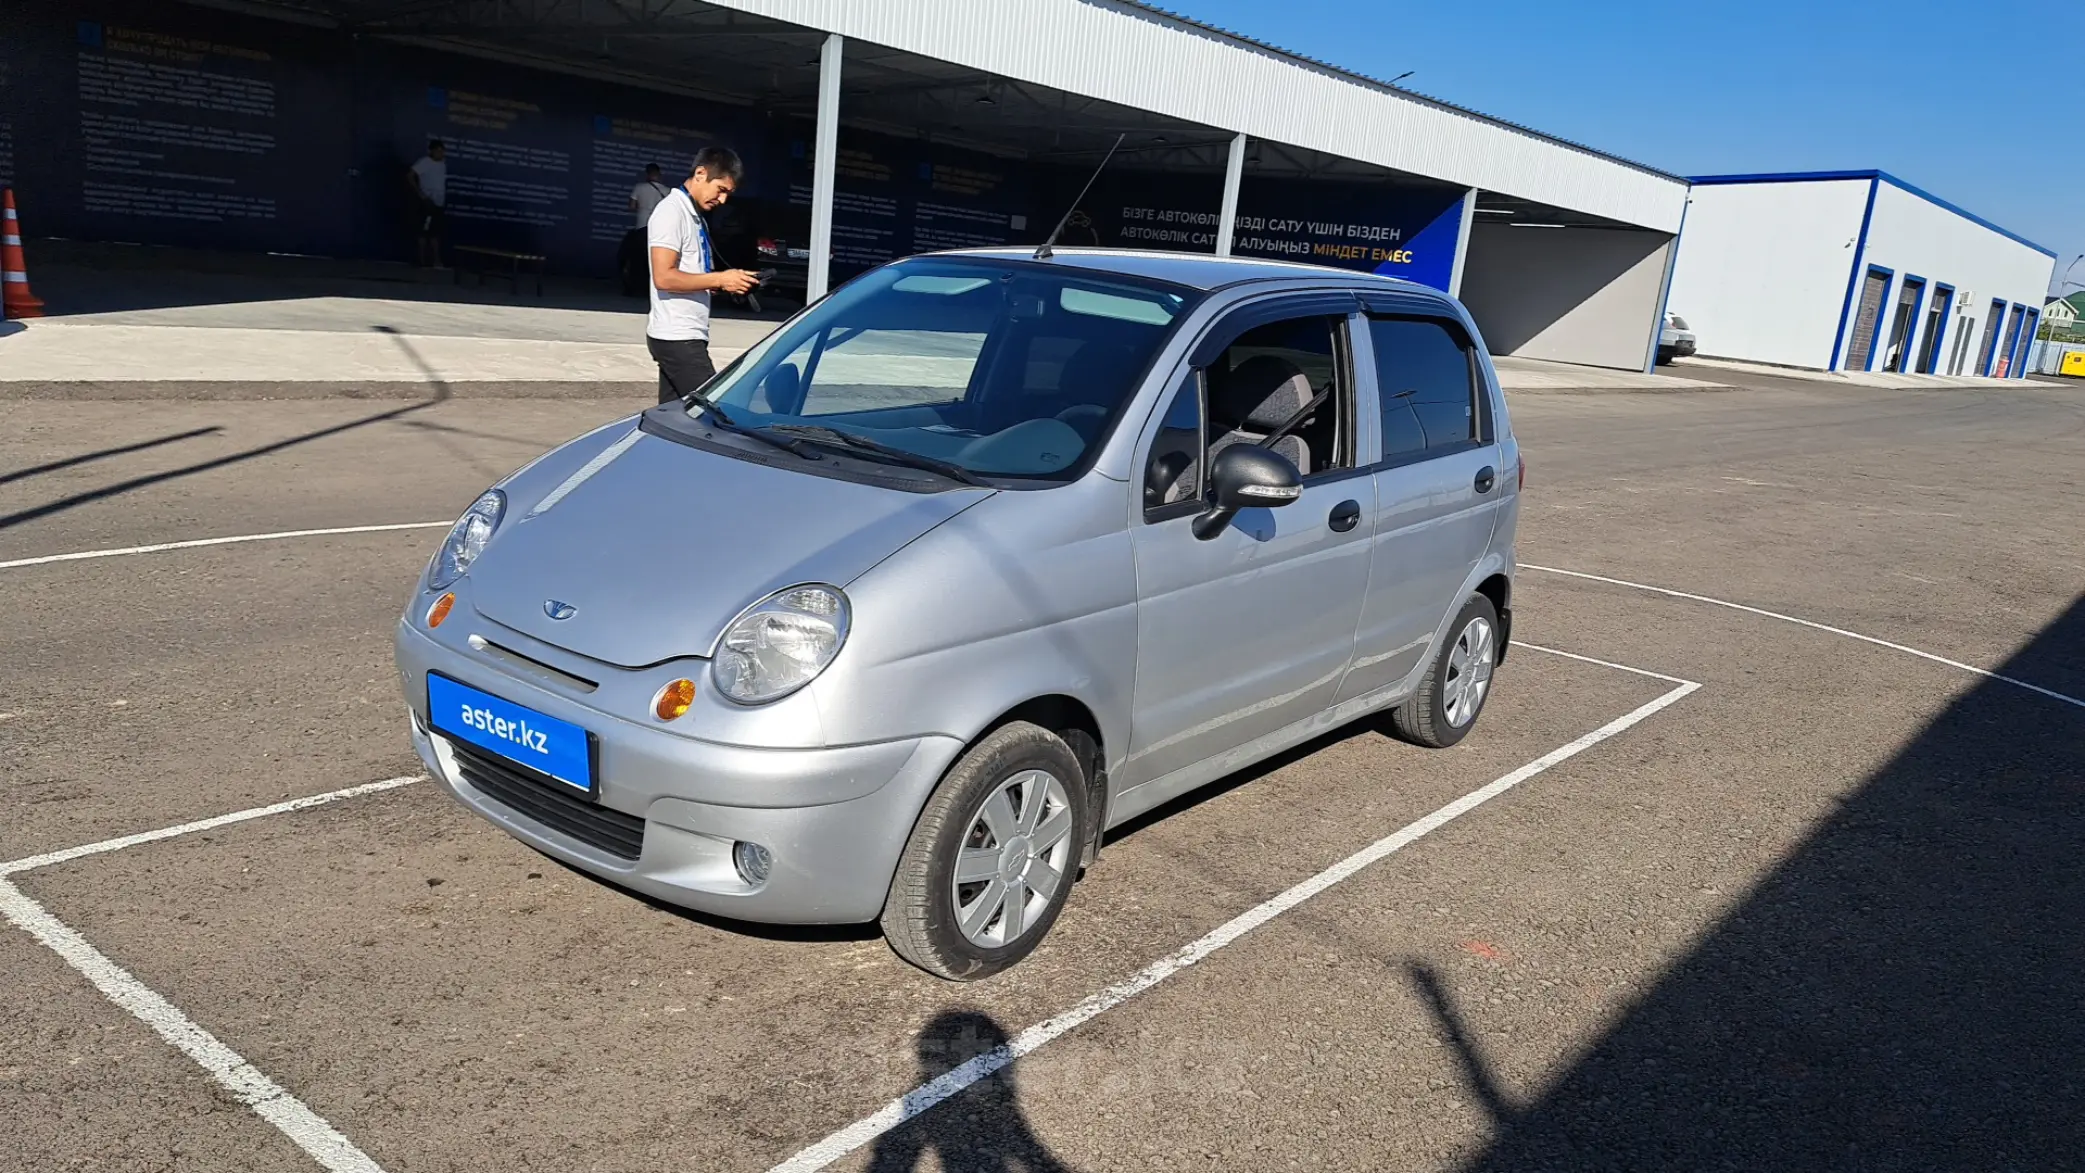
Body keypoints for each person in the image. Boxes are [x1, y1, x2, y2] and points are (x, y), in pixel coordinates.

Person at [647, 146, 761, 405]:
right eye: (721, 190)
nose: (722, 201)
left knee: (675, 418)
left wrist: (732, 283)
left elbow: (692, 277)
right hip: (677, 336)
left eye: (728, 194)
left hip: (685, 334)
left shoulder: (694, 215)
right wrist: (720, 278)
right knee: (713, 411)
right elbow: (663, 278)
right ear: (700, 173)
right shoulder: (671, 212)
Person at [620, 163, 671, 297]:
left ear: (647, 174)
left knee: (637, 259)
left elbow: (632, 206)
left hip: (642, 226)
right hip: (659, 229)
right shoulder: (667, 191)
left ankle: (633, 288)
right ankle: (651, 289)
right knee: (655, 260)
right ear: (659, 174)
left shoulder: (639, 187)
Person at [408, 139, 448, 268]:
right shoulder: (425, 162)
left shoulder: (442, 164)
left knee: (436, 232)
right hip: (427, 203)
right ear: (431, 151)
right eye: (438, 151)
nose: (441, 154)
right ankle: (422, 260)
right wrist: (422, 195)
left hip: (438, 203)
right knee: (424, 232)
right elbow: (410, 175)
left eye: (442, 151)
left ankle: (435, 260)